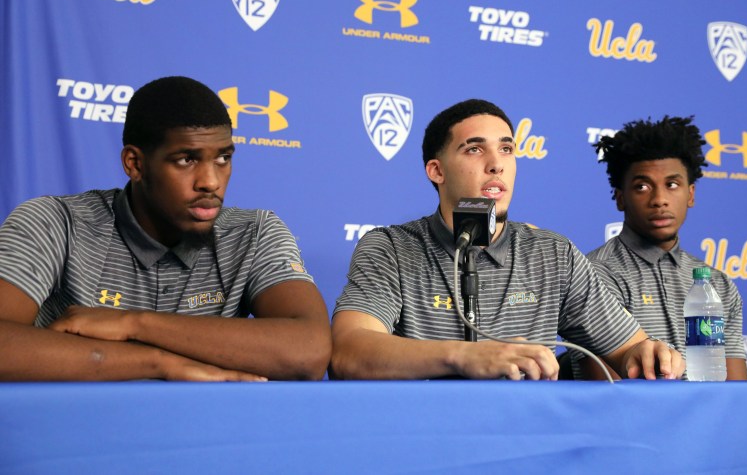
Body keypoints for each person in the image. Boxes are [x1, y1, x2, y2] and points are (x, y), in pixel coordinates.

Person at [0, 76, 331, 381]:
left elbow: (309, 351)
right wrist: (159, 362)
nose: (211, 182)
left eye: (223, 158)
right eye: (186, 159)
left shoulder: (254, 233)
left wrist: (133, 323)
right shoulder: (56, 222)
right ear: (135, 164)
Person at [330, 99, 683, 381]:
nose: (496, 164)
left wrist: (648, 354)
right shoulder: (390, 248)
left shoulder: (553, 254)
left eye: (507, 149)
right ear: (436, 171)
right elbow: (349, 352)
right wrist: (464, 357)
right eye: (474, 150)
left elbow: (628, 350)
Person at [576, 116, 747, 380]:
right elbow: (606, 394)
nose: (659, 200)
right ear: (620, 199)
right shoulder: (593, 276)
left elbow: (735, 393)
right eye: (642, 186)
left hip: (710, 421)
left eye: (672, 185)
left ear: (690, 194)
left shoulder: (718, 284)